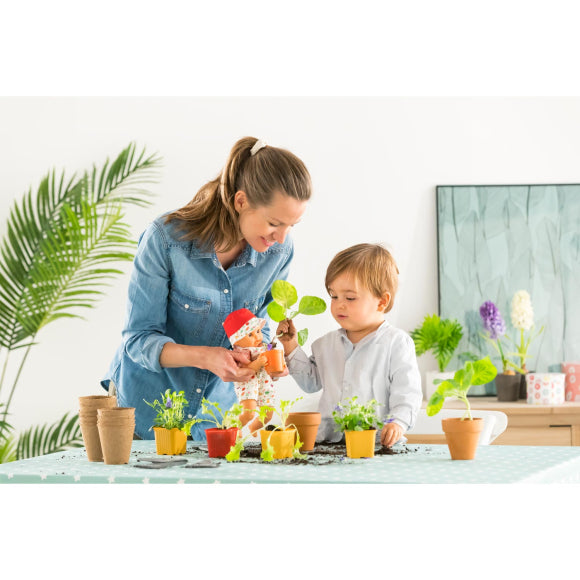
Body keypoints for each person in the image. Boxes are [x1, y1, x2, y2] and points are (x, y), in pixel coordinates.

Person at [101, 137, 312, 440]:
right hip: (143, 414)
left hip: (213, 423)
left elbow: (259, 329)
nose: (281, 237)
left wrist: (263, 360)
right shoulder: (166, 240)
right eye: (274, 223)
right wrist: (207, 357)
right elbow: (138, 340)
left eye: (291, 226)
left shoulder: (278, 252)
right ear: (241, 201)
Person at [277, 243, 422, 447]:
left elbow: (407, 392)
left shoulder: (396, 343)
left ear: (382, 302)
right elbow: (310, 383)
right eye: (334, 296)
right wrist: (291, 345)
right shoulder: (325, 345)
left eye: (350, 297)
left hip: (377, 445)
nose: (339, 304)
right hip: (329, 444)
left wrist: (398, 422)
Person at [222, 308, 278, 434]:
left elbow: (271, 349)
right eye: (250, 335)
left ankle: (254, 427)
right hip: (248, 385)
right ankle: (234, 429)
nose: (257, 336)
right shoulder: (241, 353)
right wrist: (257, 363)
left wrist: (273, 350)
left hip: (264, 383)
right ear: (236, 341)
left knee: (268, 414)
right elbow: (244, 371)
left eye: (258, 331)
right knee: (249, 413)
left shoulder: (263, 346)